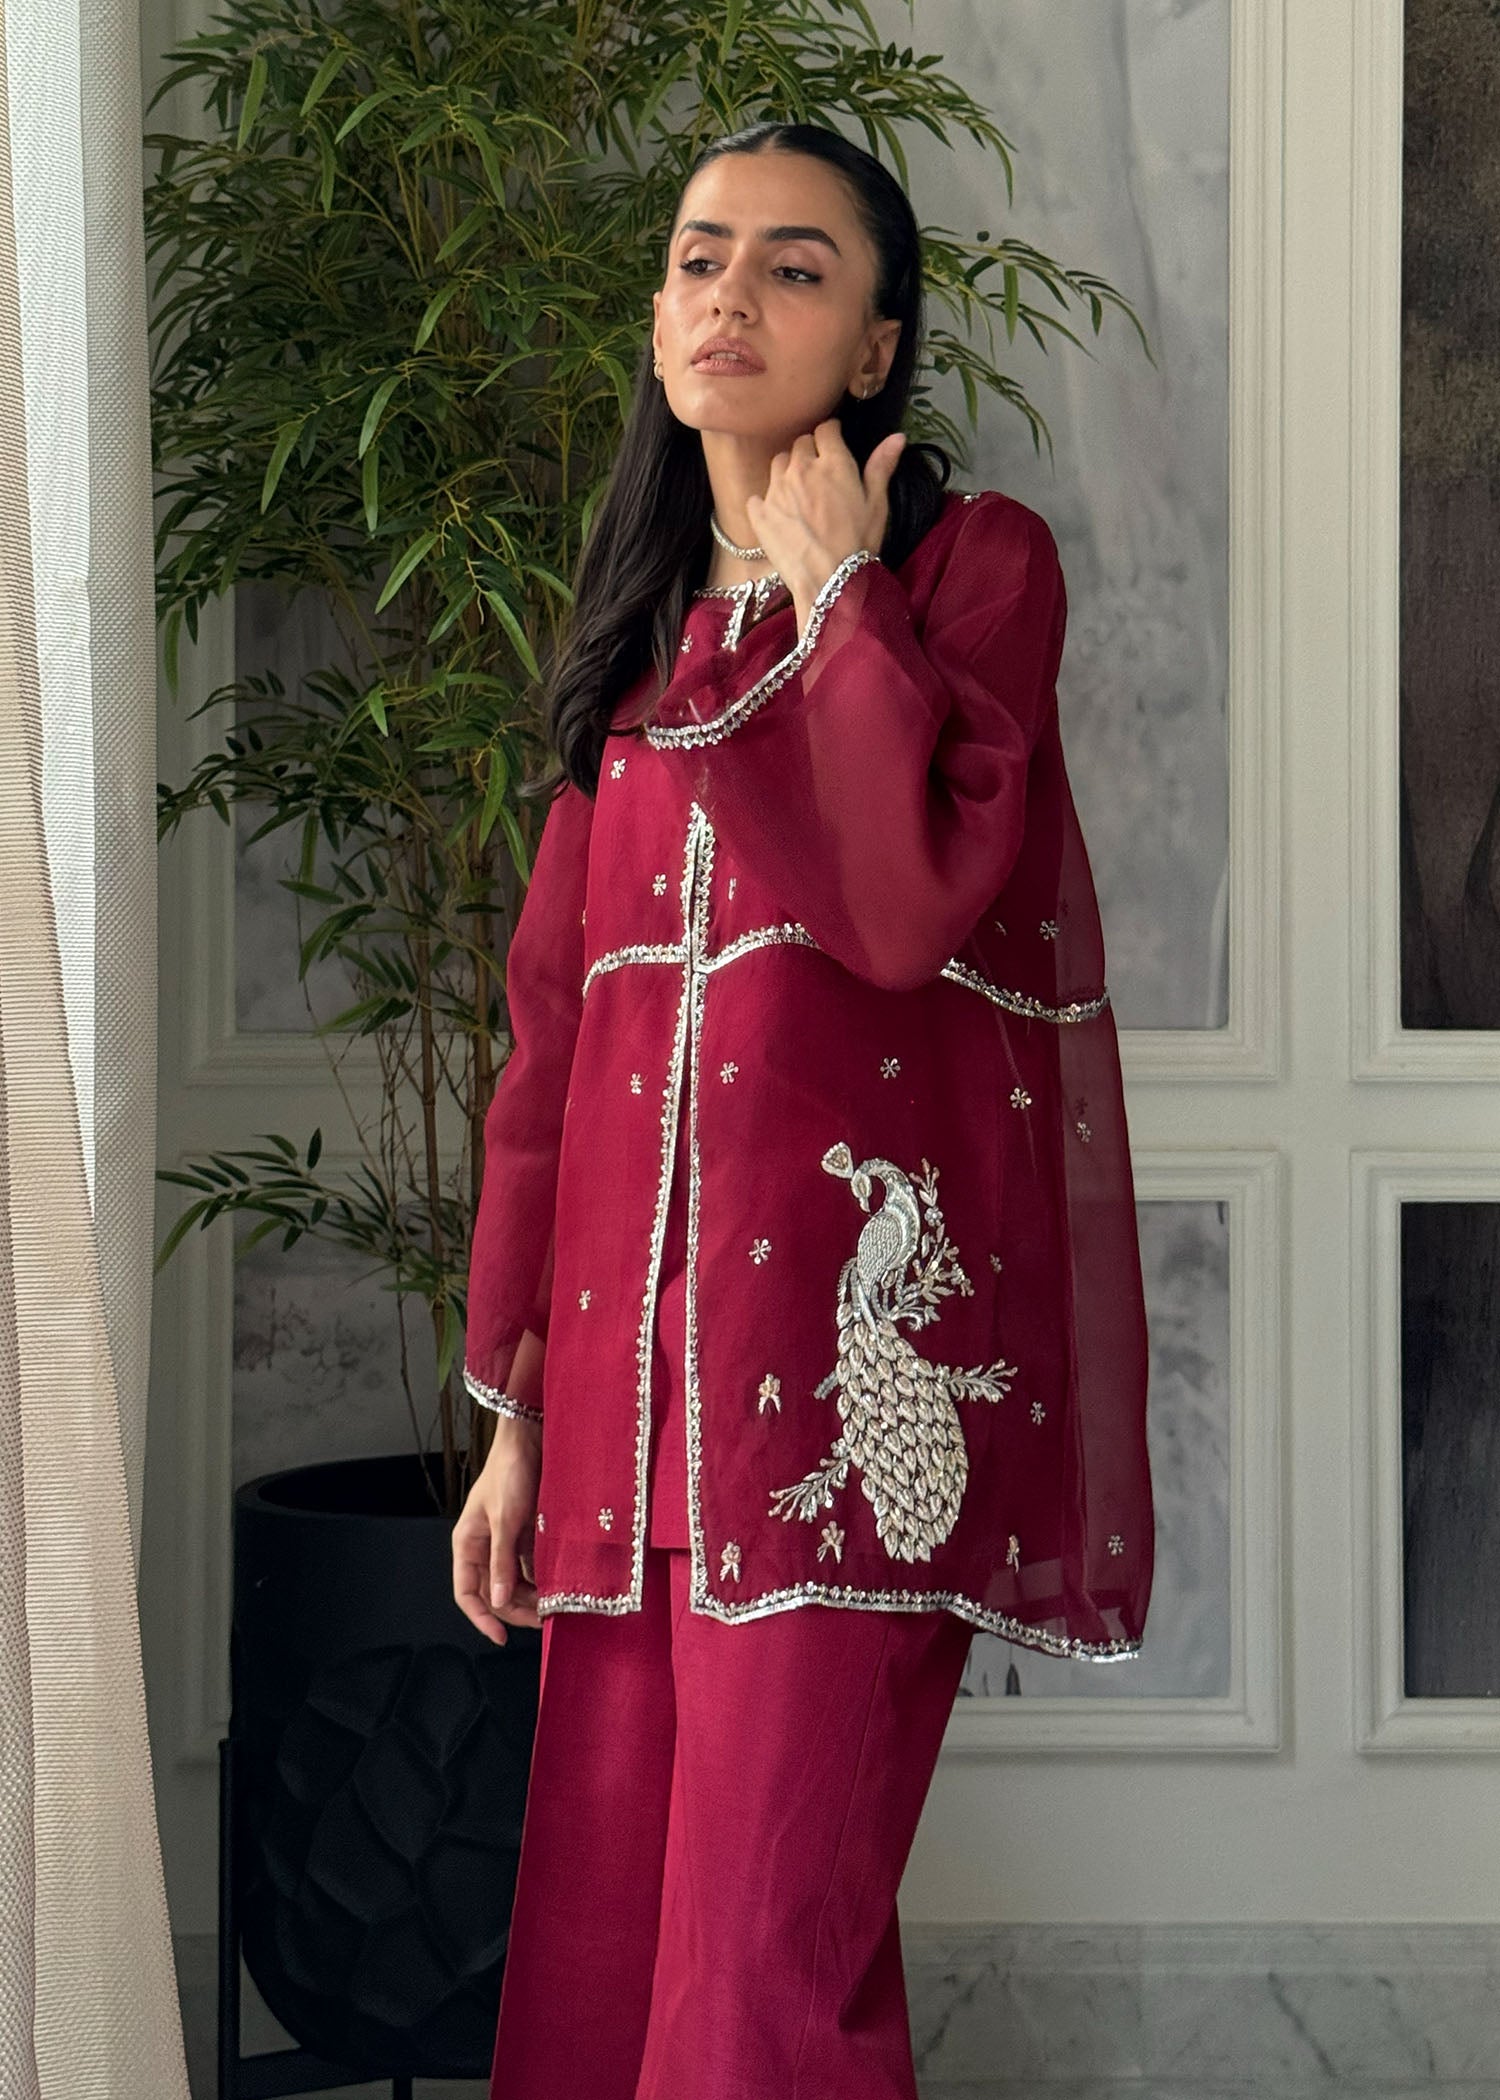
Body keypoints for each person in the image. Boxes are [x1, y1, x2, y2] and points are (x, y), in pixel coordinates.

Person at [450, 118, 1155, 2100]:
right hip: (627, 1399)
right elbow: (552, 1054)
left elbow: (905, 908)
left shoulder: (969, 572)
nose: (728, 298)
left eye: (793, 265)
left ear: (877, 344)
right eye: (698, 258)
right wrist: (514, 1416)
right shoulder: (638, 637)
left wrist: (843, 598)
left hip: (839, 1402)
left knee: (764, 1969)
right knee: (617, 1954)